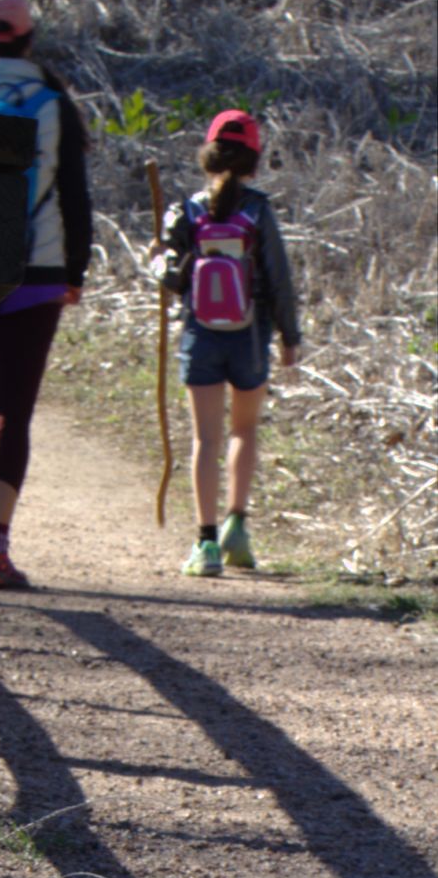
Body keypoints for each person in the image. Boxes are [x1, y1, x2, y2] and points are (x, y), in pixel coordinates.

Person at [0, 0, 92, 588]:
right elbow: (76, 196)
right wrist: (73, 273)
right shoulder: (53, 103)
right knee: (14, 412)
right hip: (38, 273)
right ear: (29, 38)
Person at [156, 109, 302, 577]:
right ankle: (236, 531)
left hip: (200, 332)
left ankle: (204, 543)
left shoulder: (185, 210)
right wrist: (289, 337)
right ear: (253, 160)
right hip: (251, 334)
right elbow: (278, 277)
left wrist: (161, 260)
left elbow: (170, 277)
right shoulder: (258, 210)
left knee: (205, 437)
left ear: (209, 154)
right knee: (244, 430)